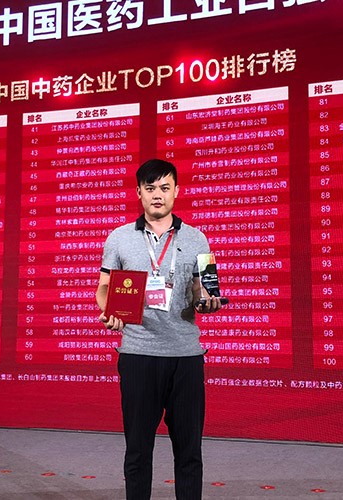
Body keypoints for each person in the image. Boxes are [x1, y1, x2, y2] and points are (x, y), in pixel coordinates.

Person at [96, 158, 224, 500]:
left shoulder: (197, 238)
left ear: (176, 191)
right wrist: (109, 311)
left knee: (189, 452)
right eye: (150, 188)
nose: (157, 195)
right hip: (138, 354)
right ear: (139, 192)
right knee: (138, 451)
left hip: (185, 356)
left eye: (165, 188)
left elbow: (203, 288)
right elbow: (105, 286)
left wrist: (206, 301)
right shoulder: (119, 238)